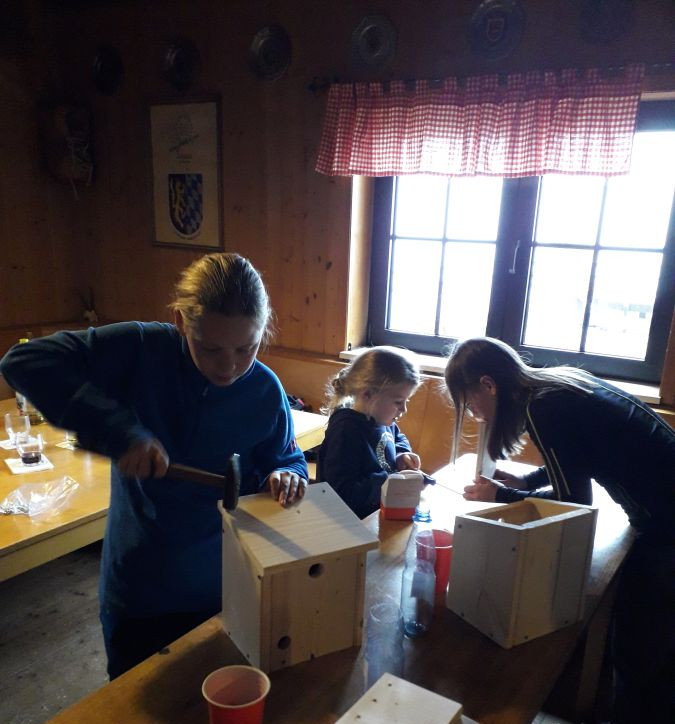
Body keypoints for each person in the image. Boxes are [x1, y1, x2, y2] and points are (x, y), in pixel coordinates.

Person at [0, 252, 308, 679]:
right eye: (210, 347)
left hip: (227, 587)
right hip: (142, 592)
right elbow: (23, 362)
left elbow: (286, 456)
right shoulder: (142, 350)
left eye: (247, 348)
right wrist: (118, 431)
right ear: (181, 321)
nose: (229, 366)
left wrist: (289, 473)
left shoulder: (264, 391)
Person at [444, 336, 675, 724]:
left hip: (666, 522)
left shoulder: (542, 408)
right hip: (663, 507)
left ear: (487, 384)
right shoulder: (557, 383)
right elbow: (578, 458)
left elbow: (573, 503)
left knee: (638, 644)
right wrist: (528, 478)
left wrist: (501, 496)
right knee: (651, 644)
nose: (475, 415)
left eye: (470, 402)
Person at [318, 346, 421, 518]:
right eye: (398, 402)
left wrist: (402, 454)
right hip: (350, 522)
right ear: (367, 394)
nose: (404, 409)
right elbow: (342, 493)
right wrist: (389, 482)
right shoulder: (346, 431)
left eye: (406, 401)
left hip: (379, 512)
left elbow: (397, 437)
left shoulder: (382, 418)